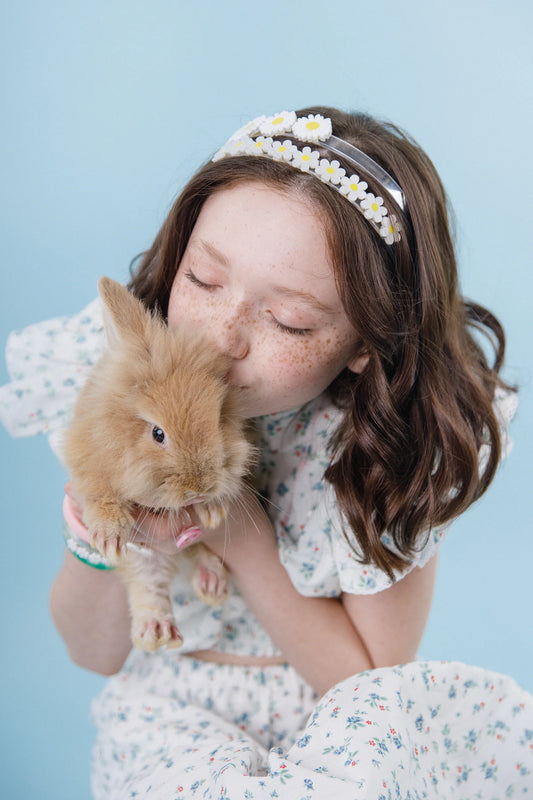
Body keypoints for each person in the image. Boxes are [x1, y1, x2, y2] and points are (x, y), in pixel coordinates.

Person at [1, 106, 531, 798]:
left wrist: (246, 539)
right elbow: (90, 650)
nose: (223, 338)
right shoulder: (130, 379)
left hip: (326, 723)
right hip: (167, 721)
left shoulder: (375, 448)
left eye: (289, 320)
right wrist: (107, 535)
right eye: (201, 280)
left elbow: (370, 693)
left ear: (366, 345)